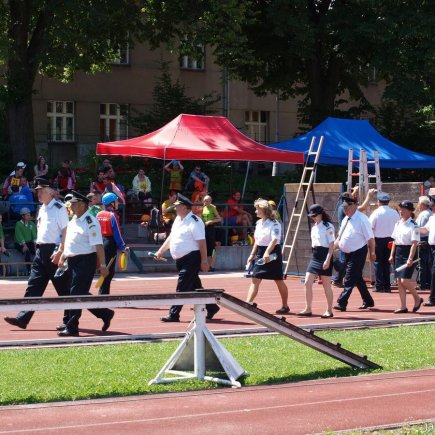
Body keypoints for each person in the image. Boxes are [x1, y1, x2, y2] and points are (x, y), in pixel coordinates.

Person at [3, 177, 70, 330]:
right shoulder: (42, 208)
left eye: (41, 191)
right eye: (37, 191)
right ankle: (23, 318)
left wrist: (61, 251)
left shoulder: (59, 209)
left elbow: (66, 231)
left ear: (51, 192)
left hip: (54, 250)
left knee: (63, 288)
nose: (38, 194)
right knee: (34, 285)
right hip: (41, 251)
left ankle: (72, 320)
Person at [155, 193, 220, 322]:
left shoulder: (195, 221)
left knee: (182, 285)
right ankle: (212, 307)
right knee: (193, 286)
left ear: (185, 207)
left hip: (192, 258)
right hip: (181, 260)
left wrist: (204, 260)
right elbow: (171, 237)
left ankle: (174, 314)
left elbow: (202, 242)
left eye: (177, 206)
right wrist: (160, 251)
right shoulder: (178, 220)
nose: (175, 207)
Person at [57, 191, 114, 337]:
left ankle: (72, 327)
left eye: (74, 203)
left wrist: (102, 265)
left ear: (82, 205)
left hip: (85, 261)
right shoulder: (74, 219)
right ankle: (105, 313)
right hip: (72, 260)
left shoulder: (91, 221)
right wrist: (63, 256)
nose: (71, 205)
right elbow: (70, 242)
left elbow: (98, 245)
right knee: (78, 293)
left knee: (76, 294)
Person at [333, 193, 376, 312]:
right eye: (344, 208)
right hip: (347, 253)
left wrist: (372, 253)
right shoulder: (346, 219)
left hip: (358, 252)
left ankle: (342, 302)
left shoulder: (362, 219)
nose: (345, 210)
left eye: (347, 207)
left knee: (349, 277)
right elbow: (340, 237)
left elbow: (370, 238)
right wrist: (331, 248)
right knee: (357, 277)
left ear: (354, 206)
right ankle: (368, 300)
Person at [246, 199, 289, 314]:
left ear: (263, 210)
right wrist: (252, 254)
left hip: (273, 253)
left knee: (278, 279)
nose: (255, 211)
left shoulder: (275, 223)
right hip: (261, 251)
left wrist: (267, 253)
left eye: (257, 209)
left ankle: (285, 306)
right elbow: (257, 241)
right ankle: (248, 303)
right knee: (255, 278)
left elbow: (275, 239)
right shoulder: (259, 223)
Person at [298, 204, 334, 318]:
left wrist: (327, 260)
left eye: (315, 215)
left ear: (321, 214)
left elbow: (331, 245)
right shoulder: (314, 226)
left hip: (325, 254)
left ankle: (329, 310)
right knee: (307, 282)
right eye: (311, 216)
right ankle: (308, 308)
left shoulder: (328, 226)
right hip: (315, 255)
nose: (313, 217)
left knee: (326, 285)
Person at [389, 200, 423, 314]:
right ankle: (403, 306)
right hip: (399, 252)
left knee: (404, 280)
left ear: (409, 211)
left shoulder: (414, 225)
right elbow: (394, 240)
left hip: (409, 252)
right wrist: (391, 254)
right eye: (400, 209)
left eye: (403, 209)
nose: (400, 211)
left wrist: (410, 258)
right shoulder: (398, 223)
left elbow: (414, 243)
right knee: (399, 281)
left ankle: (417, 298)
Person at [96, 192, 127, 295]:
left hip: (100, 243)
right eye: (116, 201)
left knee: (103, 267)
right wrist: (123, 247)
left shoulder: (98, 214)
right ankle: (104, 295)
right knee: (109, 271)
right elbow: (117, 233)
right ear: (111, 203)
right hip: (110, 244)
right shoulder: (113, 215)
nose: (118, 202)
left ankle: (102, 293)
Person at [368, 192, 400, 292]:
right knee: (387, 263)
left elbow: (370, 227)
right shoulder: (394, 213)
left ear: (379, 202)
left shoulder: (376, 213)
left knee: (378, 262)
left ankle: (379, 285)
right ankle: (387, 285)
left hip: (378, 240)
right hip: (391, 240)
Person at [415, 196, 432, 290]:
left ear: (421, 204)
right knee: (428, 262)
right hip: (428, 240)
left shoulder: (423, 214)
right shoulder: (430, 213)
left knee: (421, 263)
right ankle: (428, 282)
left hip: (423, 239)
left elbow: (419, 229)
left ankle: (422, 283)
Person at [421, 195, 435, 307]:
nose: (432, 207)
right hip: (432, 248)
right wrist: (413, 229)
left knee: (434, 272)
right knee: (432, 271)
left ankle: (433, 298)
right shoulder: (432, 217)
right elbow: (425, 229)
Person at [202, 195, 222, 272]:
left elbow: (219, 219)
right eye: (205, 201)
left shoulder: (213, 208)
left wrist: (211, 221)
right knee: (204, 247)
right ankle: (205, 266)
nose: (206, 202)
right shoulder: (201, 208)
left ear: (211, 201)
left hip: (210, 229)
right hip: (203, 229)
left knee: (212, 248)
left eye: (208, 201)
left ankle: (212, 266)